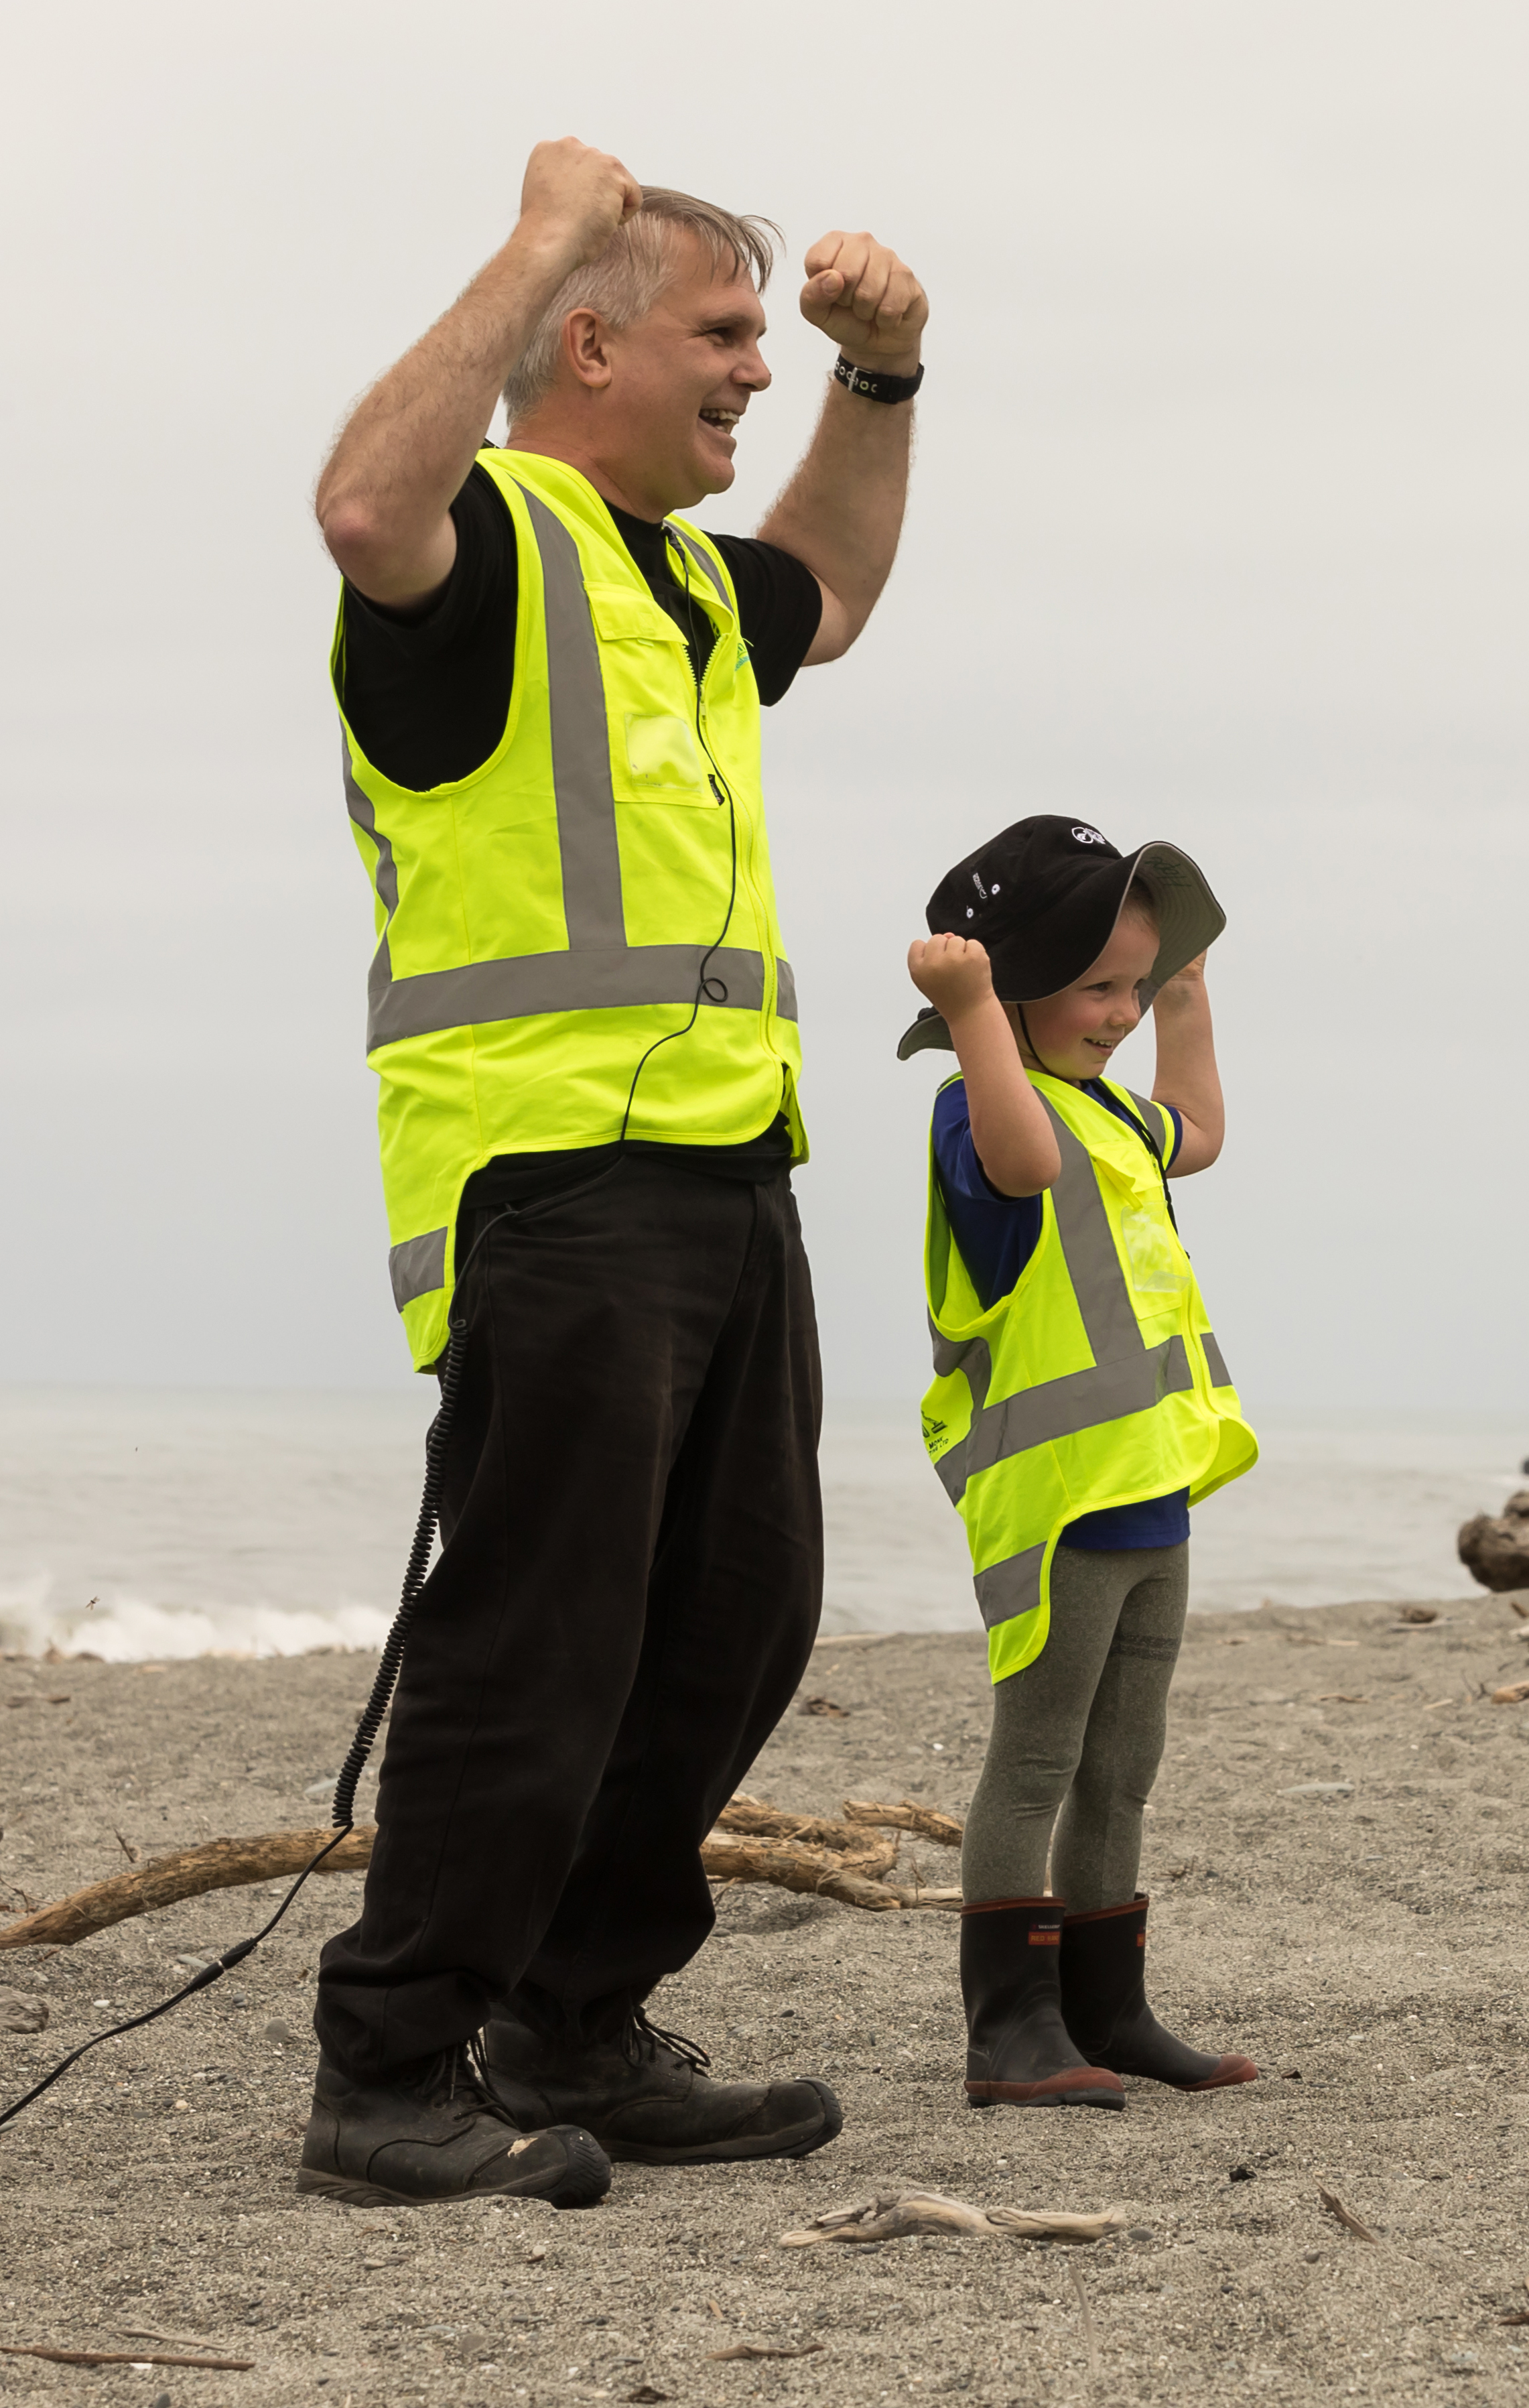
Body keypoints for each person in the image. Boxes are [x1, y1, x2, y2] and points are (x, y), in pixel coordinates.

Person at [304, 139, 927, 2207]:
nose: (756, 372)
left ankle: (573, 2017)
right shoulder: (480, 548)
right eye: (726, 334)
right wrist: (538, 229)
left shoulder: (674, 583)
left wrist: (882, 378)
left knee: (737, 1620)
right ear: (589, 342)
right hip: (553, 1184)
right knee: (537, 1641)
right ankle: (391, 2062)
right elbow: (361, 504)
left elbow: (826, 597)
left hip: (732, 1173)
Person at [901, 817, 1260, 2108]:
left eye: (1133, 983)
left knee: (1125, 1763)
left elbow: (1200, 1134)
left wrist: (1188, 999)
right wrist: (974, 1016)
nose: (1119, 1012)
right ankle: (1010, 2031)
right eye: (1100, 984)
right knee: (1038, 1758)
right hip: (1054, 1501)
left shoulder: (1111, 1114)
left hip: (1148, 1490)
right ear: (1010, 986)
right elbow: (1020, 1159)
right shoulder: (981, 1113)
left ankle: (1109, 2009)